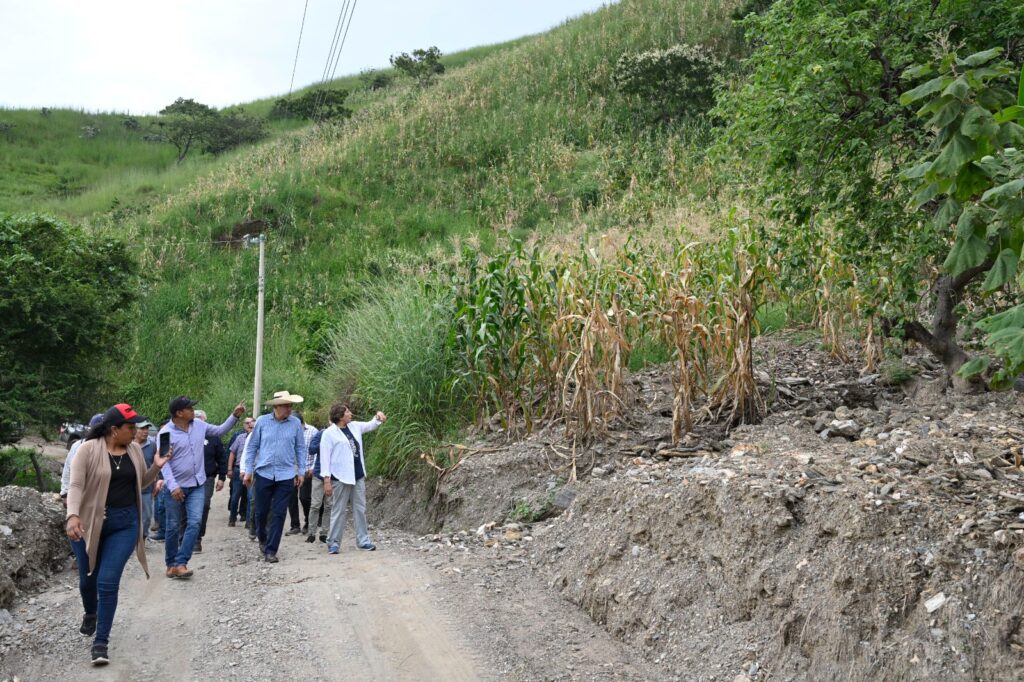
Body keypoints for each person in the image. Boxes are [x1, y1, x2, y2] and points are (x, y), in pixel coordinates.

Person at [65, 403, 171, 666]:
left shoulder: (134, 450)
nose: (136, 432)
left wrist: (155, 467)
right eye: (131, 427)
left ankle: (101, 643)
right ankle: (91, 612)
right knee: (88, 579)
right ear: (114, 430)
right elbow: (76, 484)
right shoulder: (86, 450)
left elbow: (141, 484)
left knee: (107, 581)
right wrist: (72, 515)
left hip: (124, 524)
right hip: (88, 523)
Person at [159, 395, 244, 579]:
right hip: (175, 487)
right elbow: (163, 463)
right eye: (189, 408)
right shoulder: (165, 433)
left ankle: (181, 562)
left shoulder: (199, 425)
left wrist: (234, 416)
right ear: (179, 413)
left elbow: (220, 431)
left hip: (197, 485)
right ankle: (170, 564)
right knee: (173, 526)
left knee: (195, 522)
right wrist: (173, 486)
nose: (193, 411)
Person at [242, 391, 306, 563]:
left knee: (278, 514)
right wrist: (248, 470)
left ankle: (271, 550)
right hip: (264, 473)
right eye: (286, 405)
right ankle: (263, 538)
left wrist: (300, 471)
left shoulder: (295, 424)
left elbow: (300, 448)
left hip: (286, 475)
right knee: (261, 512)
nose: (290, 409)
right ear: (277, 407)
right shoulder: (262, 421)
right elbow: (252, 447)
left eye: (291, 405)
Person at [320, 402, 386, 554]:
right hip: (340, 477)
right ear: (340, 416)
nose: (351, 414)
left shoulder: (354, 426)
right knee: (339, 510)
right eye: (348, 412)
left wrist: (378, 417)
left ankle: (363, 541)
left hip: (357, 475)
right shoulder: (329, 433)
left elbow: (370, 425)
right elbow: (325, 458)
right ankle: (333, 542)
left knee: (360, 509)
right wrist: (327, 480)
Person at [191, 409, 227, 553]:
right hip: (188, 478)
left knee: (204, 505)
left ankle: (197, 538)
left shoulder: (214, 438)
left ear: (205, 421)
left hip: (207, 477)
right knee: (185, 509)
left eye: (200, 418)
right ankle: (184, 537)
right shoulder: (187, 436)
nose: (198, 421)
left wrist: (222, 478)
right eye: (195, 418)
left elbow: (222, 458)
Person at [60, 413, 104, 504]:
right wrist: (65, 493)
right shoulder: (78, 445)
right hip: (78, 494)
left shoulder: (109, 448)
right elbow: (68, 469)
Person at [226, 417, 255, 527]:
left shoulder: (259, 438)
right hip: (238, 469)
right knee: (235, 496)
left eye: (251, 425)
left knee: (250, 497)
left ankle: (248, 521)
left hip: (252, 471)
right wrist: (229, 469)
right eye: (247, 423)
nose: (249, 426)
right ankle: (232, 518)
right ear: (244, 424)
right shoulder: (239, 438)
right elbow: (232, 453)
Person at [304, 425, 329, 544]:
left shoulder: (343, 434)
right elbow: (311, 449)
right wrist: (325, 444)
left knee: (329, 505)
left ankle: (324, 533)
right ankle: (311, 533)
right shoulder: (322, 433)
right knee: (315, 505)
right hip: (319, 474)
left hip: (335, 475)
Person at [134, 421, 157, 540]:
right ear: (135, 430)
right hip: (129, 487)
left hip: (147, 487)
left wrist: (158, 481)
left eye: (147, 428)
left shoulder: (152, 445)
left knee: (147, 516)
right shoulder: (128, 444)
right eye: (142, 429)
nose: (146, 431)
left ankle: (142, 539)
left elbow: (157, 464)